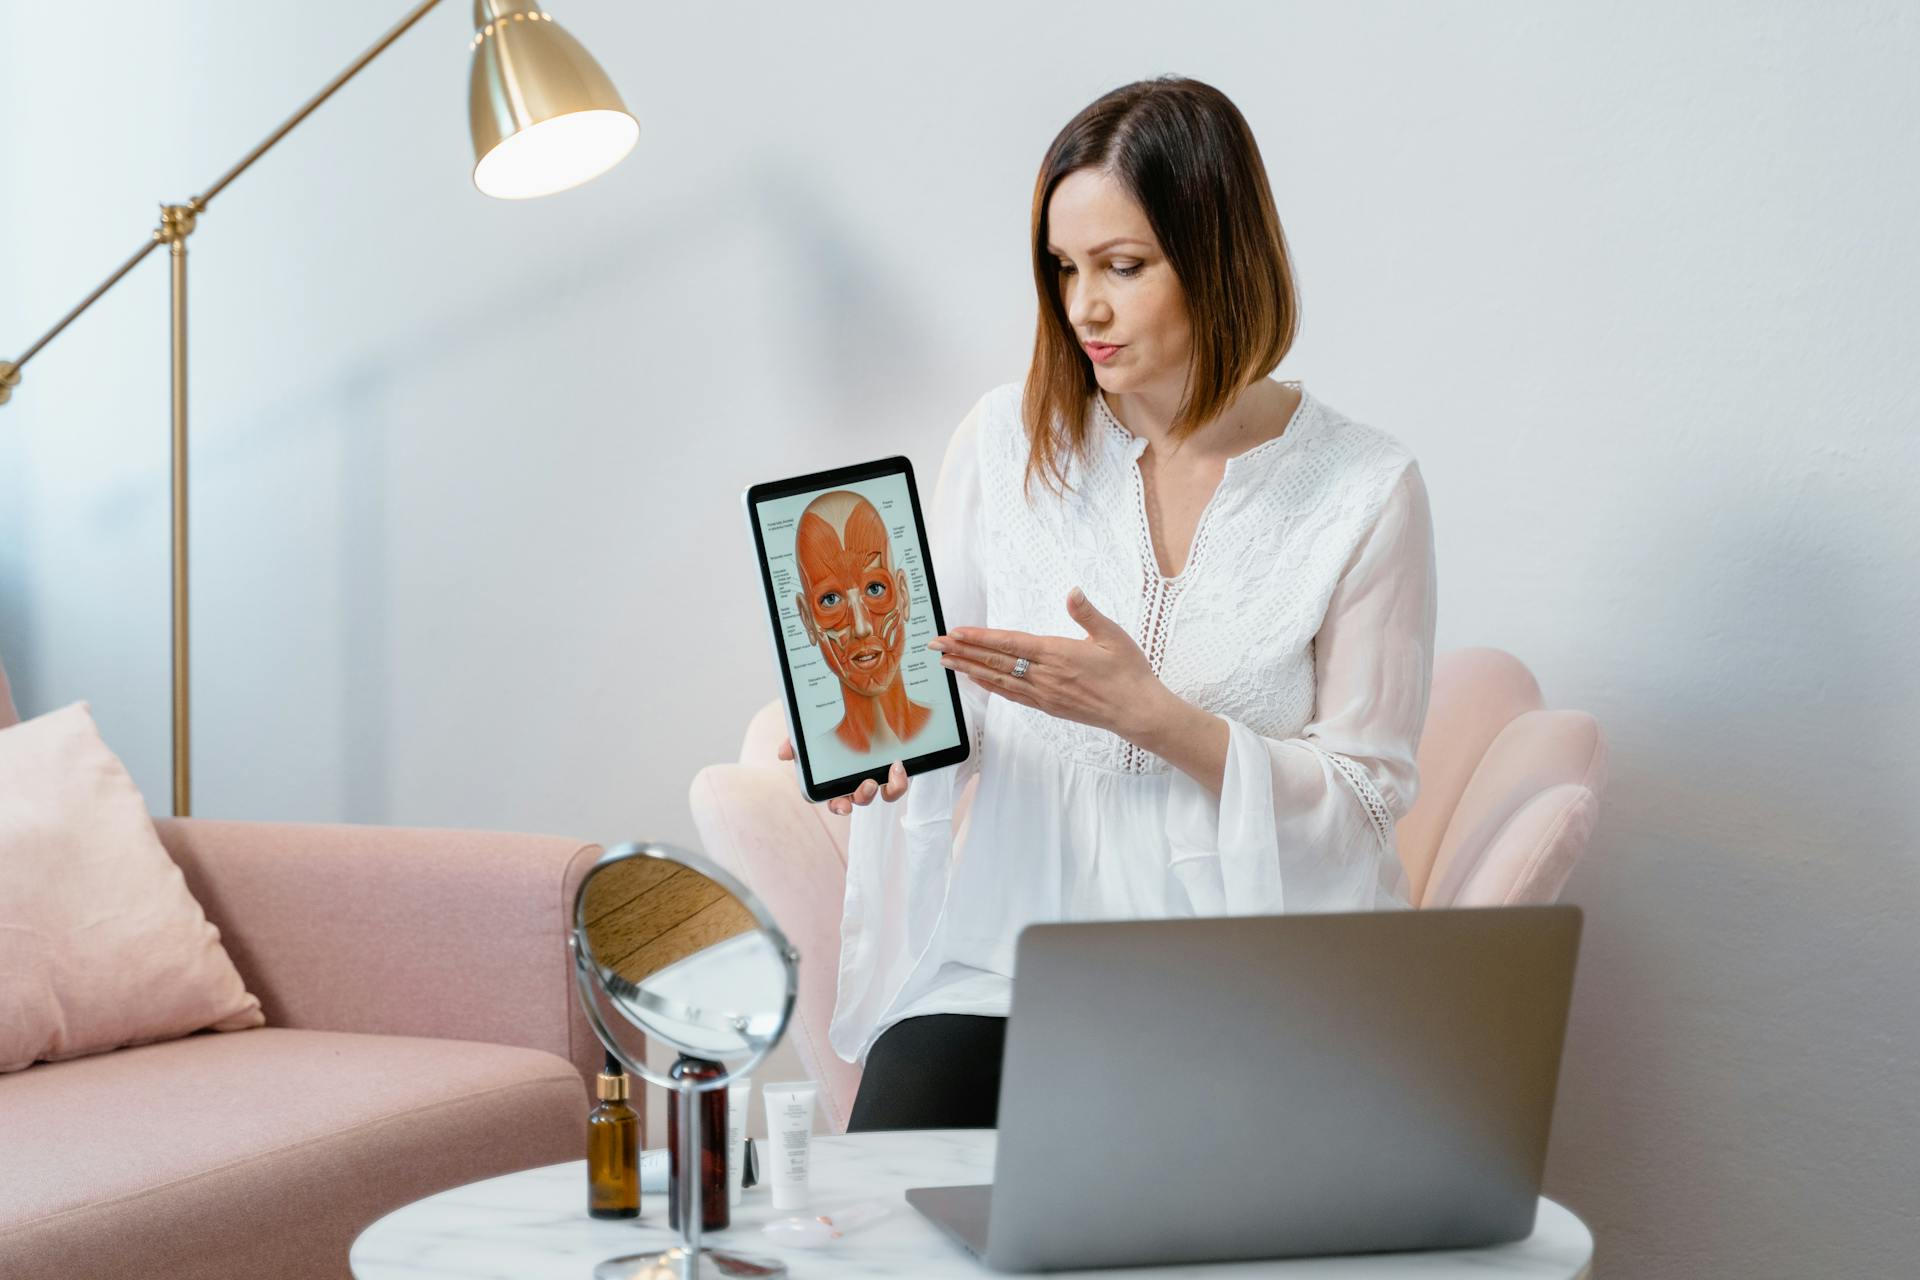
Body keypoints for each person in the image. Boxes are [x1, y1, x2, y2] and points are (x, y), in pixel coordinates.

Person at [780, 75, 1438, 1131]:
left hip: (1238, 978)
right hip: (1009, 962)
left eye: (1123, 267)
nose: (1083, 305)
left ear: (1220, 259)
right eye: (1065, 267)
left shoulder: (1365, 488)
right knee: (887, 1195)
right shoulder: (1005, 443)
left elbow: (1366, 796)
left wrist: (1161, 721)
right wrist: (892, 744)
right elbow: (945, 685)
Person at [793, 488, 934, 753]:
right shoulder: (824, 756)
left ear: (902, 594)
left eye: (875, 589)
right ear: (808, 620)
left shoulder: (945, 730)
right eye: (831, 599)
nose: (861, 626)